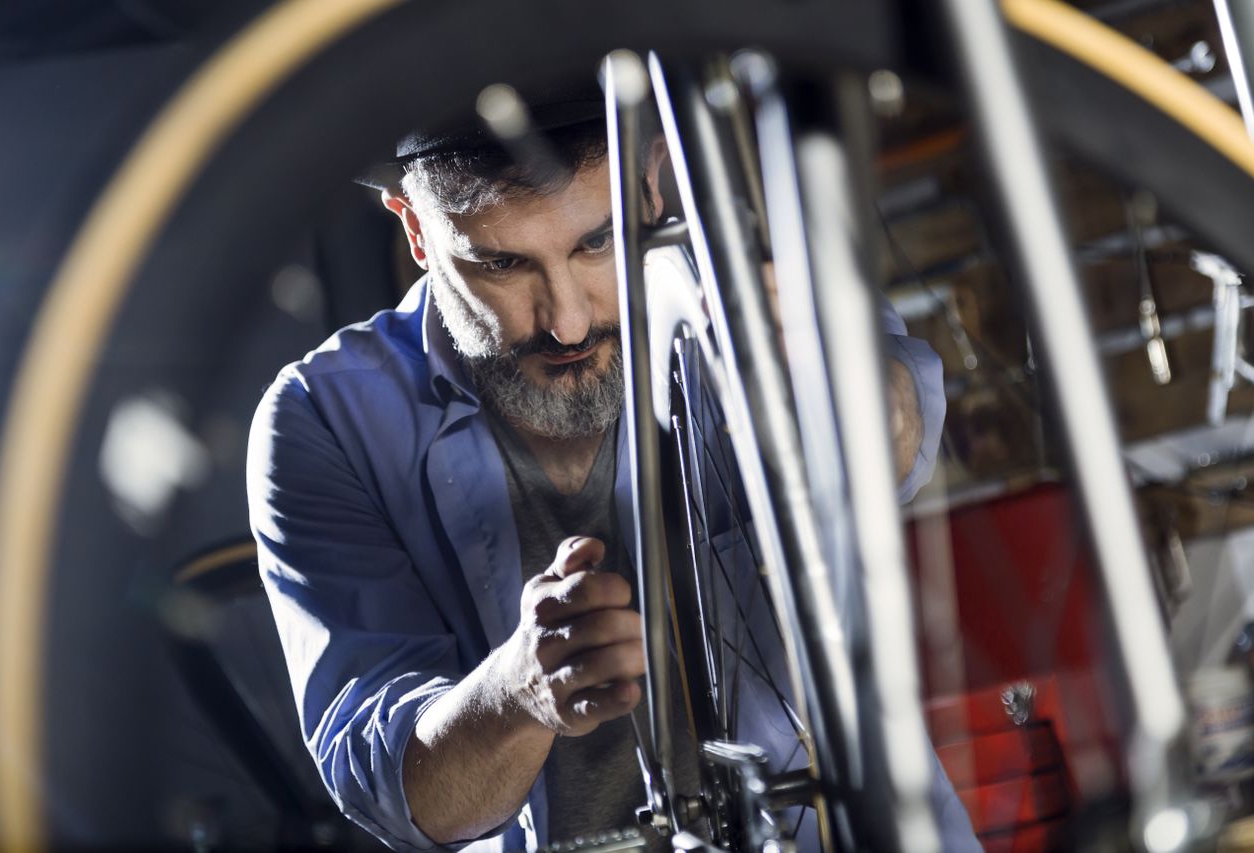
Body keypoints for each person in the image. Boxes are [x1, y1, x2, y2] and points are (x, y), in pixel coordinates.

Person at [247, 88, 974, 852]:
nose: (566, 320)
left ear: (650, 182)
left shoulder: (733, 299)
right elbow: (404, 796)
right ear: (417, 232)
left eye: (596, 244)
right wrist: (522, 688)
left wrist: (838, 380)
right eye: (499, 262)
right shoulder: (322, 419)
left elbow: (895, 437)